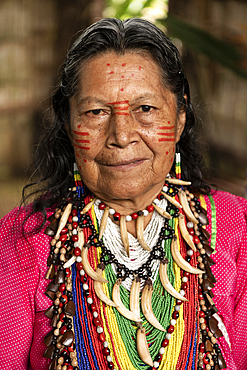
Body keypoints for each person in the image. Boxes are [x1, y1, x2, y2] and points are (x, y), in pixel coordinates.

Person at [0, 18, 246, 370]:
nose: (121, 134)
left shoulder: (237, 229)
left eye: (145, 109)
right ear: (69, 125)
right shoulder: (23, 242)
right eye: (96, 112)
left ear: (178, 117)